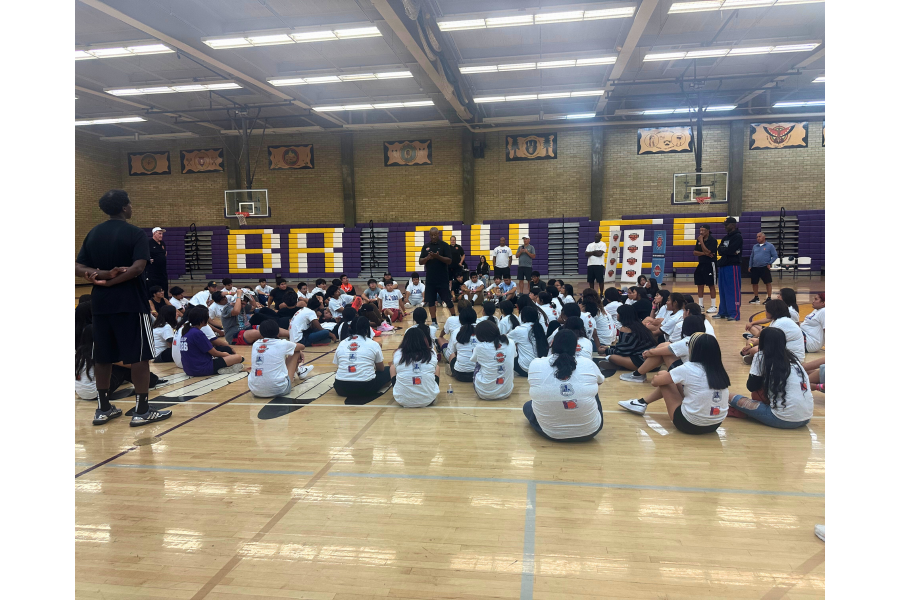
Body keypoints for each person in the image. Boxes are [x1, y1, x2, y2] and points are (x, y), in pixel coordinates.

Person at [75, 189, 171, 427]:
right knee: (139, 356)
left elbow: (77, 266)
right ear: (124, 207)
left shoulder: (93, 233)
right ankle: (142, 410)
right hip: (130, 302)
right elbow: (138, 268)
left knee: (102, 357)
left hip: (100, 304)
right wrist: (110, 279)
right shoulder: (135, 233)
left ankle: (103, 409)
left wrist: (102, 275)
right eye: (130, 204)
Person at [629, 333, 730, 434]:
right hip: (715, 424)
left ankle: (641, 403)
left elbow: (655, 382)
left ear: (694, 350)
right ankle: (642, 402)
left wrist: (658, 376)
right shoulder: (719, 370)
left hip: (689, 424)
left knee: (663, 375)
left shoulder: (689, 368)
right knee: (674, 380)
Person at [523, 329, 605, 442]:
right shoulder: (588, 363)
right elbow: (600, 381)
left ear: (552, 344)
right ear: (576, 348)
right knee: (592, 389)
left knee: (528, 405)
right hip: (590, 431)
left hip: (551, 433)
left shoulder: (536, 363)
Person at [728, 327, 814, 428]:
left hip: (782, 419)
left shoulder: (761, 356)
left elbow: (751, 386)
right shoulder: (793, 358)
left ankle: (748, 413)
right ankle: (751, 413)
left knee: (730, 396)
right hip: (806, 418)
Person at [618, 314, 708, 384]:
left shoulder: (687, 341)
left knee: (659, 378)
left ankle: (638, 374)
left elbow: (663, 350)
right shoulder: (706, 338)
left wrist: (648, 353)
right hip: (704, 375)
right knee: (665, 348)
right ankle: (639, 377)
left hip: (691, 378)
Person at [248, 319, 311, 398]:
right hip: (280, 390)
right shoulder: (282, 343)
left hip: (255, 391)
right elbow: (302, 346)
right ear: (278, 332)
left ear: (260, 333)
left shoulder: (255, 344)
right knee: (296, 351)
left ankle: (298, 371)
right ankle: (299, 371)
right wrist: (298, 350)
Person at [333, 317, 391, 398]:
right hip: (365, 387)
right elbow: (381, 369)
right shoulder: (373, 344)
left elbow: (339, 365)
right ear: (368, 328)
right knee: (389, 370)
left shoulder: (342, 343)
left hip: (340, 387)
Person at [180, 306, 246, 377]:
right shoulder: (197, 333)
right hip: (201, 368)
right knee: (239, 358)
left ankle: (224, 367)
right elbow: (214, 353)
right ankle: (223, 369)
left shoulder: (187, 331)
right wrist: (227, 355)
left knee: (227, 356)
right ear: (202, 320)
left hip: (188, 369)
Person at [741, 299, 805, 364]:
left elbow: (766, 342)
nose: (765, 312)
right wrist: (751, 345)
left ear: (772, 311)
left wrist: (750, 348)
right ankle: (755, 357)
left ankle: (754, 357)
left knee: (754, 350)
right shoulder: (778, 320)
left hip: (792, 357)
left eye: (767, 310)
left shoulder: (780, 323)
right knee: (751, 340)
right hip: (785, 351)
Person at [596, 304, 656, 372]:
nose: (617, 315)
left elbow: (623, 351)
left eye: (618, 313)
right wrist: (609, 347)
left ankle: (621, 366)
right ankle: (621, 365)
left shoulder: (626, 329)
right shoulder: (639, 326)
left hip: (643, 362)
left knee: (612, 357)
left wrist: (606, 351)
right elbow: (624, 347)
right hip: (654, 362)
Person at [391, 326, 439, 408]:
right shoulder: (431, 353)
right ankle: (430, 391)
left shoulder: (398, 353)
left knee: (392, 367)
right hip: (428, 400)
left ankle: (400, 390)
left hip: (402, 400)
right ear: (424, 340)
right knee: (437, 367)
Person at [419, 227, 456, 326]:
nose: (433, 237)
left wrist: (438, 257)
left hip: (442, 279)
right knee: (431, 301)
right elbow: (420, 261)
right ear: (429, 235)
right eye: (431, 235)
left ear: (438, 234)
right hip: (430, 279)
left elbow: (449, 261)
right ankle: (434, 321)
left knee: (447, 299)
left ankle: (454, 317)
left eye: (435, 235)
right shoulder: (426, 246)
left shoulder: (444, 245)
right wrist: (428, 258)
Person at [472, 321, 516, 400]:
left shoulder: (480, 347)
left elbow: (473, 359)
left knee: (478, 363)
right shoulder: (510, 342)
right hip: (507, 392)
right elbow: (514, 355)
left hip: (484, 393)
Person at [715, 217, 743, 321]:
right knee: (722, 290)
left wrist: (726, 250)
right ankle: (723, 312)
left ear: (733, 225)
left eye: (726, 225)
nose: (725, 227)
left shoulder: (738, 237)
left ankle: (734, 313)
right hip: (723, 265)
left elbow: (731, 250)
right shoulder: (725, 238)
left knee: (732, 290)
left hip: (733, 266)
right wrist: (726, 250)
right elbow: (720, 250)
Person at [508, 306, 550, 376]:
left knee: (511, 357)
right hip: (540, 367)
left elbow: (505, 339)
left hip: (526, 369)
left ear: (523, 318)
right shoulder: (539, 327)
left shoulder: (519, 329)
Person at [445, 308, 478, 382]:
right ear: (475, 318)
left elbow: (452, 351)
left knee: (452, 355)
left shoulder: (456, 332)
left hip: (460, 374)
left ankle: (452, 370)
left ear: (460, 320)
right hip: (477, 373)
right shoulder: (481, 331)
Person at [692, 224, 718, 314]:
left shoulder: (713, 240)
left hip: (710, 264)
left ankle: (713, 306)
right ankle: (701, 305)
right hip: (701, 263)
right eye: (700, 230)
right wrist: (705, 253)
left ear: (708, 231)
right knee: (700, 284)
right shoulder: (698, 240)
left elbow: (709, 251)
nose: (701, 232)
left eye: (703, 230)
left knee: (711, 285)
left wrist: (702, 242)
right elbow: (695, 252)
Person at [748, 232, 779, 304]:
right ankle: (756, 297)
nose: (758, 238)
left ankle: (769, 298)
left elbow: (775, 256)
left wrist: (770, 263)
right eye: (757, 237)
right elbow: (752, 257)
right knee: (754, 283)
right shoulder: (755, 246)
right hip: (755, 267)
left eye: (759, 236)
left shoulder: (770, 246)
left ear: (764, 237)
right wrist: (750, 266)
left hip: (764, 267)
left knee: (768, 283)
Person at [146, 226, 168, 292]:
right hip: (153, 272)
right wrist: (149, 259)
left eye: (162, 234)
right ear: (154, 234)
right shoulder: (149, 243)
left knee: (164, 288)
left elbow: (165, 253)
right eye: (159, 234)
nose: (161, 235)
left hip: (163, 271)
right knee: (155, 289)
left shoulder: (162, 243)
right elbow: (144, 254)